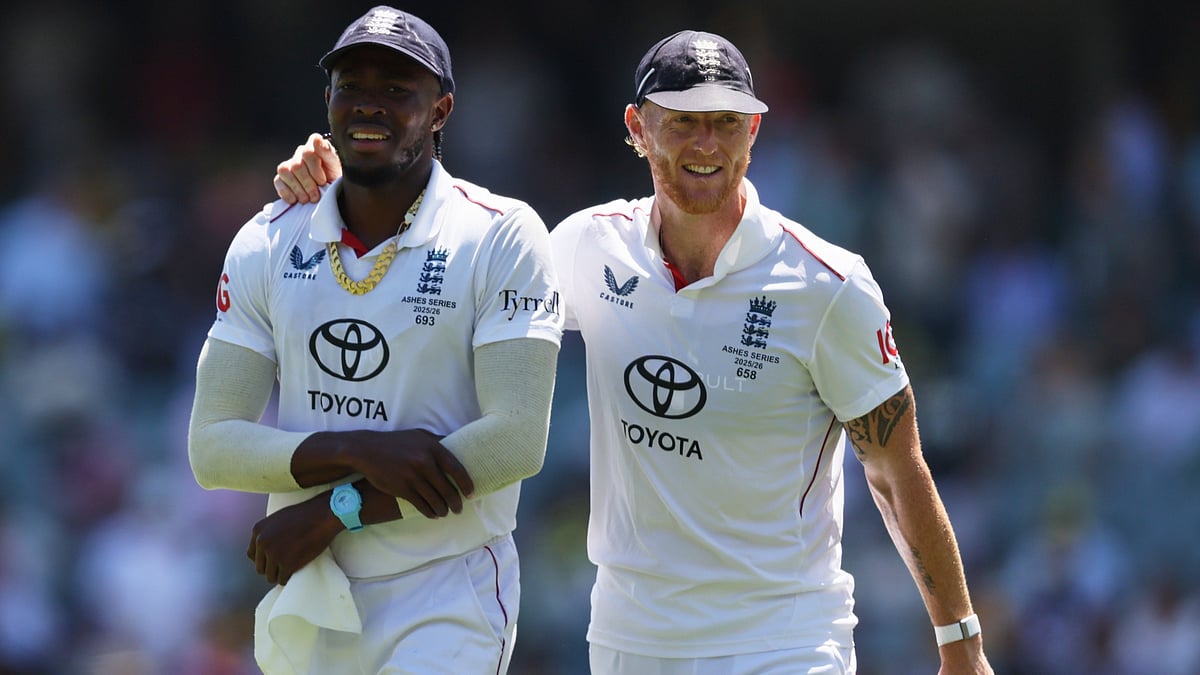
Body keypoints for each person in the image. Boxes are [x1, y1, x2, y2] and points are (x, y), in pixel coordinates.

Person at [274, 29, 993, 675]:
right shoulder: (588, 245)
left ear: (754, 132)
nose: (705, 144)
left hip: (785, 639)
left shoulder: (827, 285)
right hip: (629, 639)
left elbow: (897, 471)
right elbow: (454, 280)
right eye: (682, 121)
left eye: (724, 123)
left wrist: (960, 640)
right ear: (638, 129)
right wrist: (348, 184)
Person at [188, 6, 562, 674]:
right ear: (326, 100)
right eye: (352, 86)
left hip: (447, 590)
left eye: (397, 91)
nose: (369, 106)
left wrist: (337, 509)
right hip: (312, 591)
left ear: (441, 110)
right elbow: (213, 446)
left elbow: (514, 441)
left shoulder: (502, 233)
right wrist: (361, 447)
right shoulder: (268, 238)